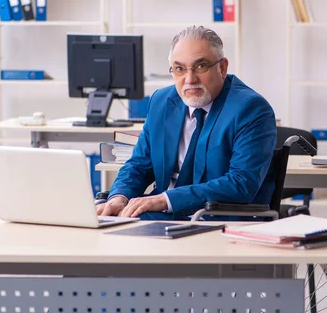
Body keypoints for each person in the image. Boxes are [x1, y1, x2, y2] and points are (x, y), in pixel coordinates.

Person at [96, 25, 277, 220]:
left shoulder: (250, 108)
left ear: (223, 67)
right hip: (162, 217)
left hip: (217, 220)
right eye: (180, 69)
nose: (190, 79)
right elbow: (139, 165)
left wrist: (165, 199)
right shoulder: (161, 102)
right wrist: (119, 196)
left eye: (201, 66)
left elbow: (241, 183)